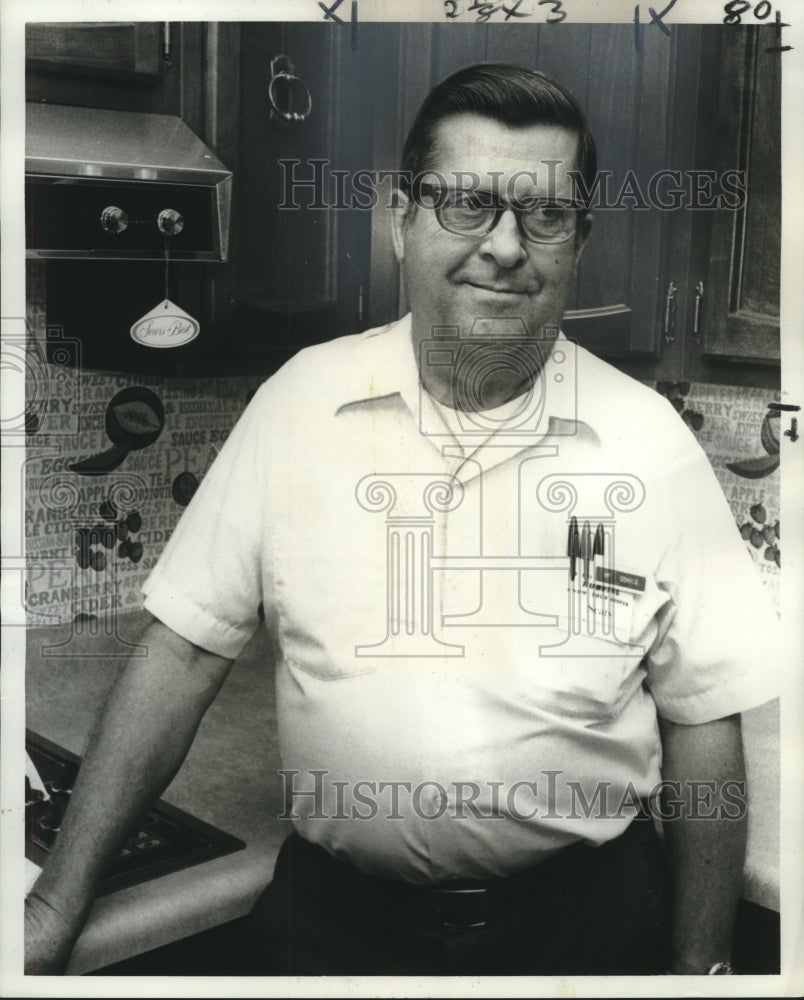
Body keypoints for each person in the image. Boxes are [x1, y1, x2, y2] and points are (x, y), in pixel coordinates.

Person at [25, 63, 778, 977]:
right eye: (466, 203)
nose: (504, 245)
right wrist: (55, 904)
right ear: (400, 220)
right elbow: (181, 654)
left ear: (579, 240)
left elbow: (705, 721)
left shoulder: (649, 445)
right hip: (332, 929)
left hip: (585, 930)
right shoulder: (299, 404)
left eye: (543, 214)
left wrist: (706, 969)